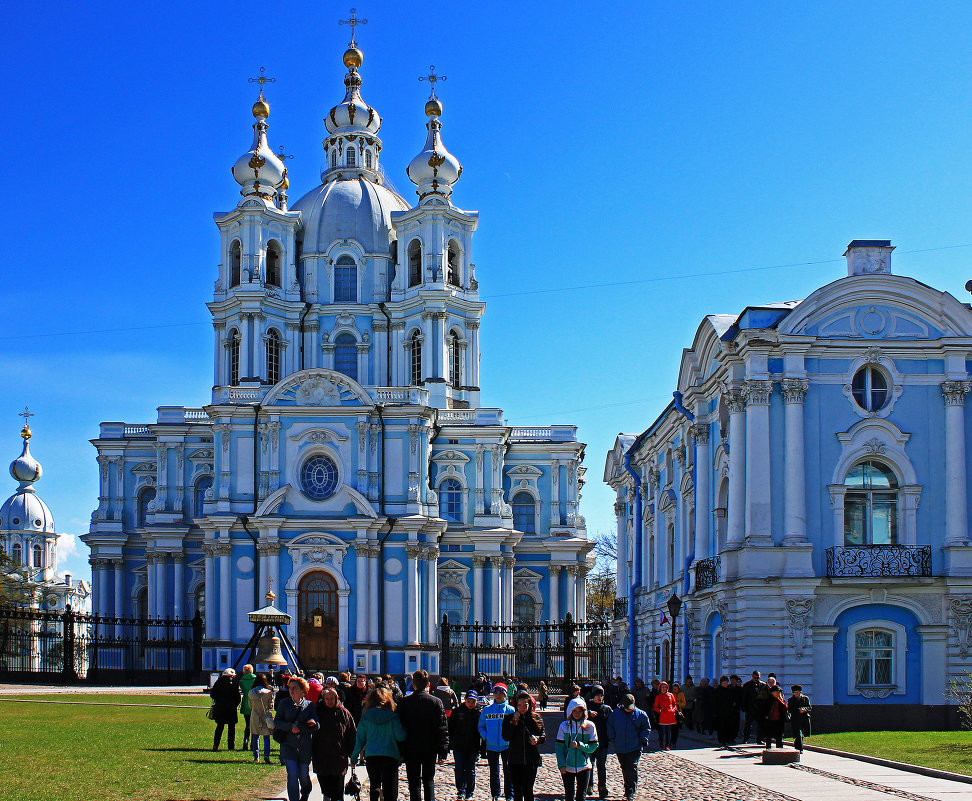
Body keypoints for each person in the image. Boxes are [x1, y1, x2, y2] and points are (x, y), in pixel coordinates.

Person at [397, 669, 450, 801]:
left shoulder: (405, 702)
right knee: (428, 780)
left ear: (413, 684)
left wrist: (400, 749)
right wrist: (443, 749)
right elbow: (442, 727)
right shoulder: (436, 702)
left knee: (413, 782)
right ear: (428, 684)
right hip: (429, 747)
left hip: (411, 747)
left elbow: (399, 727)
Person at [350, 686, 408, 801]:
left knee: (374, 785)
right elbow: (400, 736)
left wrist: (354, 756)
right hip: (390, 755)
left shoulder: (366, 717)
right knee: (389, 788)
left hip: (372, 756)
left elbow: (360, 739)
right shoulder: (393, 717)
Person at [274, 677, 320, 801]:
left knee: (303, 774)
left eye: (295, 688)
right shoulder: (284, 703)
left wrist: (309, 724)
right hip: (288, 745)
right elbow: (277, 722)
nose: (292, 690)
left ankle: (305, 792)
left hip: (304, 746)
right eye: (290, 687)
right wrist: (290, 727)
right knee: (292, 774)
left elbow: (317, 724)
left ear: (302, 690)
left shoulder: (309, 705)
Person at [313, 687, 357, 801]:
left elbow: (352, 733)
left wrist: (352, 753)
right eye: (326, 699)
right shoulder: (317, 711)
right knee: (325, 786)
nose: (329, 701)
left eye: (331, 698)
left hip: (339, 756)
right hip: (321, 756)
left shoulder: (343, 713)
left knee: (338, 789)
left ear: (336, 698)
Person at [502, 692, 545, 801]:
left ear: (529, 705)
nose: (522, 708)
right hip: (515, 759)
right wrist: (513, 722)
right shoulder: (508, 718)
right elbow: (506, 736)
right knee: (517, 789)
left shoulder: (536, 718)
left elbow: (543, 736)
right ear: (515, 705)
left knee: (528, 789)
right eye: (519, 705)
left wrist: (537, 740)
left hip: (531, 759)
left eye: (525, 705)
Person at [607, 694, 650, 801]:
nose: (627, 709)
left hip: (635, 747)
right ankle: (627, 788)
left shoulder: (641, 714)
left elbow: (646, 728)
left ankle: (630, 791)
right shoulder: (615, 713)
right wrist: (614, 739)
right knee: (625, 768)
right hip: (620, 746)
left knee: (632, 767)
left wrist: (643, 738)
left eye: (629, 707)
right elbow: (610, 727)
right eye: (626, 707)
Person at [555, 697, 599, 801]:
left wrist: (581, 746)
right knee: (569, 795)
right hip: (567, 766)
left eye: (579, 711)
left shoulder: (590, 726)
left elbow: (593, 746)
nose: (577, 713)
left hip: (584, 766)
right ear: (570, 711)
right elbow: (559, 747)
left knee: (581, 796)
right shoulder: (564, 726)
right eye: (574, 711)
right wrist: (561, 764)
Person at [478, 684, 514, 801]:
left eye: (501, 693)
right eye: (496, 693)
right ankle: (495, 794)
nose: (498, 695)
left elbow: (515, 727)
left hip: (507, 745)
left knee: (508, 771)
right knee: (494, 772)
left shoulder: (511, 710)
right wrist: (486, 737)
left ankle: (509, 795)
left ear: (505, 695)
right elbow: (481, 726)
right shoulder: (487, 710)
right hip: (491, 745)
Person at [449, 691, 483, 801]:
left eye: (473, 701)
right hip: (459, 745)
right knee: (459, 768)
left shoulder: (478, 713)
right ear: (465, 700)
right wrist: (451, 742)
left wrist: (481, 748)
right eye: (469, 701)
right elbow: (451, 727)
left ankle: (469, 791)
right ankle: (461, 790)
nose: (471, 703)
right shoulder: (458, 711)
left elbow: (481, 730)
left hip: (473, 746)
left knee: (470, 769)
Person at [586, 686, 612, 798]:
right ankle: (589, 785)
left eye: (601, 695)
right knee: (589, 765)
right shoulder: (588, 706)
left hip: (602, 742)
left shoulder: (607, 709)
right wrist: (588, 713)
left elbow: (612, 723)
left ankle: (602, 786)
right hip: (589, 742)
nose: (600, 697)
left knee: (601, 766)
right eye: (598, 695)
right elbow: (578, 714)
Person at [210, 668, 242, 751]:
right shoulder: (234, 683)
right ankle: (231, 746)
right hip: (231, 708)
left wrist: (218, 701)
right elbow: (238, 697)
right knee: (232, 728)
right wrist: (234, 704)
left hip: (220, 707)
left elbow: (212, 694)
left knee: (219, 727)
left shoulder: (218, 682)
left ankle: (216, 745)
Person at [248, 672, 275, 764]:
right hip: (265, 715)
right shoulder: (268, 692)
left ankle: (256, 757)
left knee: (255, 736)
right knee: (266, 737)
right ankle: (266, 755)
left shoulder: (251, 692)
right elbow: (271, 705)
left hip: (255, 715)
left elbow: (250, 705)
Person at [761, 682, 788, 749]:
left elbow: (785, 708)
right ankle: (768, 748)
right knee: (769, 735)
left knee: (779, 735)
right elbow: (763, 708)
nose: (777, 694)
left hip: (779, 720)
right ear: (772, 692)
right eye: (776, 692)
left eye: (778, 692)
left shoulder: (781, 700)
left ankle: (779, 748)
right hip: (770, 719)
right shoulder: (768, 699)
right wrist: (765, 715)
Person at [713, 676, 738, 747]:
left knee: (729, 726)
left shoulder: (730, 690)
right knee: (721, 727)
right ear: (721, 683)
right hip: (720, 712)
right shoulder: (718, 690)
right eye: (724, 683)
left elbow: (733, 699)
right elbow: (715, 702)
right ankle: (722, 740)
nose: (726, 684)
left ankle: (728, 739)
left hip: (729, 711)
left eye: (726, 682)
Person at [652, 681, 677, 751]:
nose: (664, 689)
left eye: (665, 687)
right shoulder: (658, 696)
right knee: (662, 731)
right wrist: (660, 711)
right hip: (663, 715)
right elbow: (655, 707)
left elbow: (674, 704)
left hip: (670, 715)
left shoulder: (671, 695)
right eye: (663, 687)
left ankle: (667, 745)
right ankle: (661, 741)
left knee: (669, 732)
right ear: (660, 688)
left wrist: (673, 710)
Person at [787, 685, 812, 753]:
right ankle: (800, 749)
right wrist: (798, 710)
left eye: (798, 692)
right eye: (795, 692)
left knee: (802, 734)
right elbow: (790, 709)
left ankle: (796, 744)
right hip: (795, 719)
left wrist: (804, 710)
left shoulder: (805, 698)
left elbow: (809, 707)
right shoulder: (790, 700)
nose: (797, 694)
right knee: (798, 734)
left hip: (804, 718)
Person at [239, 664, 257, 751]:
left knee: (247, 724)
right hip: (254, 702)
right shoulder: (255, 679)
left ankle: (246, 739)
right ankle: (253, 743)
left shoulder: (242, 680)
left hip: (246, 701)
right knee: (254, 725)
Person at [670, 682, 686, 748]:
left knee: (676, 729)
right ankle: (670, 741)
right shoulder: (670, 694)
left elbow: (684, 703)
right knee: (670, 729)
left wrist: (677, 703)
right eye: (674, 689)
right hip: (670, 713)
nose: (675, 690)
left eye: (676, 689)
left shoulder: (681, 694)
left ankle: (674, 742)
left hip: (678, 713)